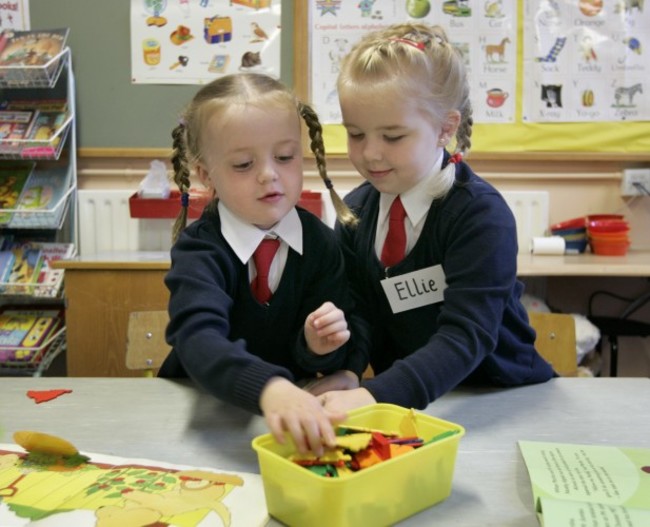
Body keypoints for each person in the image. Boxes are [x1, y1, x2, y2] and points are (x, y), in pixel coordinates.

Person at [320, 23, 554, 412]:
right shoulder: (355, 212)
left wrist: (373, 395)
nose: (370, 154)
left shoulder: (478, 215)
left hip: (500, 397)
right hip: (413, 401)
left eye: (393, 137)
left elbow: (466, 335)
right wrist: (349, 369)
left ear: (445, 128)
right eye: (356, 134)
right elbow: (357, 311)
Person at [158, 73, 368, 454]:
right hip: (204, 421)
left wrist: (319, 347)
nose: (270, 174)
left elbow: (344, 334)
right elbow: (199, 339)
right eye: (242, 164)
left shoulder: (321, 242)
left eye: (285, 157)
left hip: (290, 422)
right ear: (207, 176)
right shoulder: (199, 251)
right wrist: (269, 388)